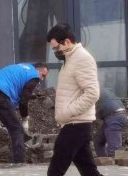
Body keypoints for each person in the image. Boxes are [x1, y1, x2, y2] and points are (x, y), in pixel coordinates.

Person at [46, 23, 102, 176]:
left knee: (55, 171)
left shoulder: (82, 59)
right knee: (89, 171)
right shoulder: (70, 59)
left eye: (57, 48)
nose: (56, 52)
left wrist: (67, 113)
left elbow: (92, 93)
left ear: (67, 42)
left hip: (75, 124)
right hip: (75, 124)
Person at [0, 62, 50, 163]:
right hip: (0, 94)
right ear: (37, 70)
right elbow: (23, 100)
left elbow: (15, 88)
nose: (42, 79)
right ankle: (19, 163)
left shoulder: (22, 68)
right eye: (43, 75)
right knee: (16, 129)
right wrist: (25, 119)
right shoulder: (34, 76)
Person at [94, 88, 128, 157]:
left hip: (114, 117)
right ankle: (102, 159)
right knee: (98, 141)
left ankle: (115, 163)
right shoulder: (104, 90)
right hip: (117, 115)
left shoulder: (93, 92)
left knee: (114, 151)